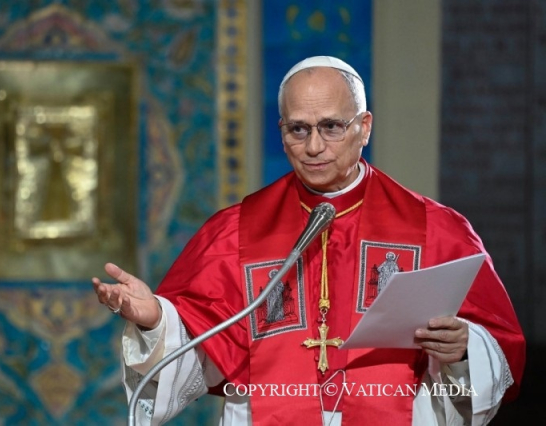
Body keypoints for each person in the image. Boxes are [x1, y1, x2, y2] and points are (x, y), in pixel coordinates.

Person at [92, 56, 525, 425]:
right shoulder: (236, 233)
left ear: (364, 128)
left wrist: (464, 350)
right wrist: (156, 320)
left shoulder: (436, 230)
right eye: (298, 130)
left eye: (332, 126)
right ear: (282, 131)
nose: (314, 146)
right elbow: (202, 351)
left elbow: (497, 350)